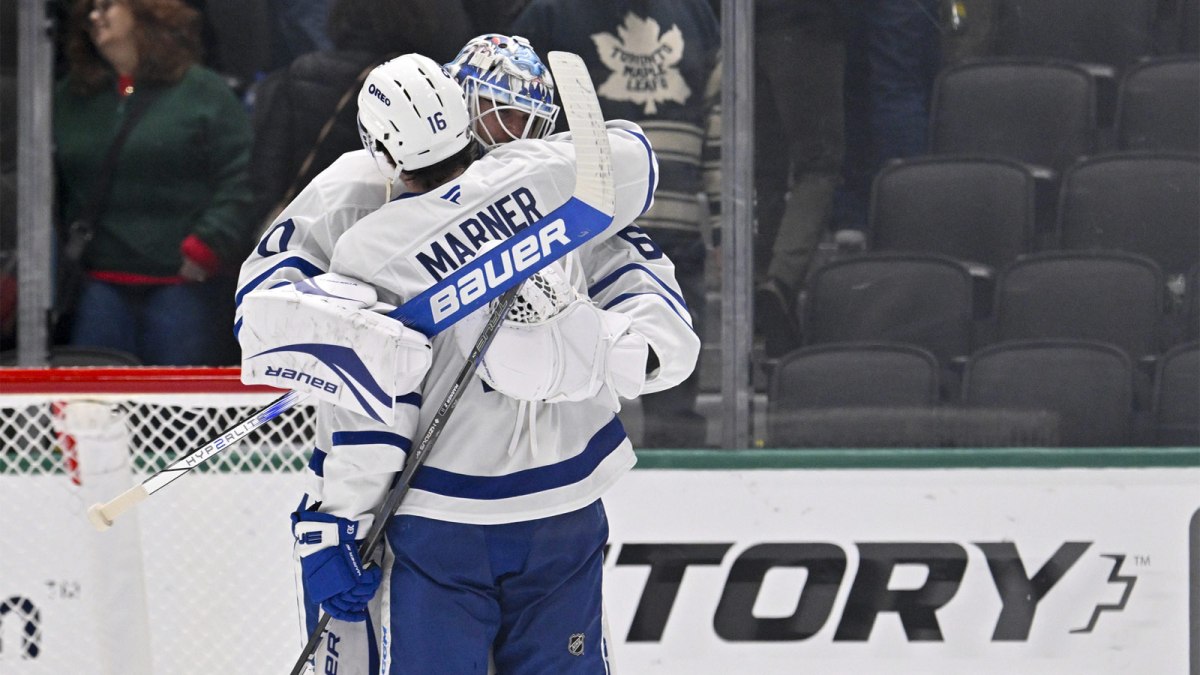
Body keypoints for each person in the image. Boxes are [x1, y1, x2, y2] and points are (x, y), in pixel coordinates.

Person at [236, 52, 698, 673]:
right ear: (462, 109)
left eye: (525, 116)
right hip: (479, 509)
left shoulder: (380, 248)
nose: (511, 131)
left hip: (502, 508)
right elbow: (277, 306)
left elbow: (373, 399)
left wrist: (337, 516)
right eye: (497, 112)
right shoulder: (555, 180)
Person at [511, 0, 721, 448]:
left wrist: (723, 224)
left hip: (673, 225)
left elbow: (721, 118)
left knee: (669, 376)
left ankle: (679, 471)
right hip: (582, 235)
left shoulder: (694, 12)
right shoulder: (550, 16)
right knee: (577, 374)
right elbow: (521, 126)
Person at [53, 0, 254, 365]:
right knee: (93, 413)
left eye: (106, 6)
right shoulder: (71, 97)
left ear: (144, 12)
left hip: (182, 286)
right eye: (90, 10)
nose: (94, 18)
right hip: (100, 284)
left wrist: (210, 242)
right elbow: (48, 185)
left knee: (180, 414)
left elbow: (243, 175)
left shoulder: (202, 91)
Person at [248, 0, 473, 228]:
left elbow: (267, 169)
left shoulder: (297, 75)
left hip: (313, 223)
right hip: (398, 225)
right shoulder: (425, 84)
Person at [752, 0, 847, 358]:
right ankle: (781, 278)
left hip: (744, 34)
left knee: (766, 171)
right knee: (819, 164)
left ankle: (764, 282)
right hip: (808, 28)